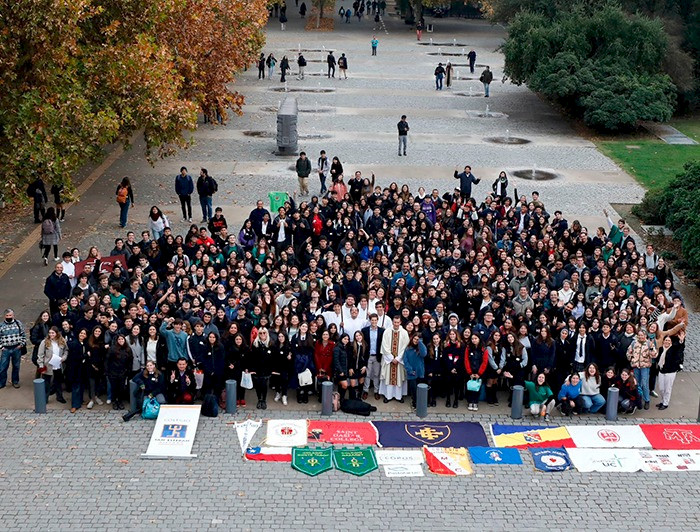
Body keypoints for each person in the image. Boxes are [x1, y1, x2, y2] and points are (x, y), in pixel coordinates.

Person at [379, 315, 409, 403]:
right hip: (389, 360)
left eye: (397, 322)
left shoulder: (404, 332)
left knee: (399, 377)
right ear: (392, 322)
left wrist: (398, 358)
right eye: (394, 322)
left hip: (399, 361)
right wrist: (391, 358)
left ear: (400, 322)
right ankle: (388, 396)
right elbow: (384, 345)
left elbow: (405, 346)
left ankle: (398, 396)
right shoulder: (387, 331)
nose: (396, 324)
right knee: (388, 377)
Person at [627, 328, 657, 410]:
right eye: (639, 335)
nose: (641, 337)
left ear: (645, 335)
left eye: (642, 335)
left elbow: (654, 355)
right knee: (637, 384)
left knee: (644, 383)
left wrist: (651, 350)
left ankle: (647, 400)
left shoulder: (649, 343)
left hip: (645, 366)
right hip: (636, 366)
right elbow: (628, 352)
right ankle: (638, 399)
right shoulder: (634, 343)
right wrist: (631, 358)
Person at [37, 326, 68, 403]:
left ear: (57, 333)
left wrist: (63, 358)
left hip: (58, 365)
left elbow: (66, 351)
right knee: (47, 384)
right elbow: (40, 355)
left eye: (53, 333)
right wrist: (41, 366)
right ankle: (45, 399)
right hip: (47, 366)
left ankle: (59, 397)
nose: (51, 334)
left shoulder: (62, 341)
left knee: (58, 382)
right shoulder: (44, 342)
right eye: (50, 333)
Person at [656, 330, 684, 410]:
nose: (667, 342)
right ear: (663, 341)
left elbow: (680, 348)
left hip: (670, 372)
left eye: (669, 340)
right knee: (661, 388)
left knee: (667, 389)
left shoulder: (674, 348)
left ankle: (665, 403)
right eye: (666, 340)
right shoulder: (661, 349)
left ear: (671, 342)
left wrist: (681, 340)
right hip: (662, 370)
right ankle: (662, 401)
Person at [0, 309, 27, 390]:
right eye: (7, 316)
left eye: (10, 315)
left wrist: (21, 345)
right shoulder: (1, 326)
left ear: (13, 315)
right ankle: (2, 383)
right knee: (3, 367)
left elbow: (23, 335)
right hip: (6, 349)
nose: (9, 317)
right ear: (4, 316)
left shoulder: (18, 324)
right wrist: (1, 347)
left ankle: (15, 381)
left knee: (16, 366)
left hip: (16, 348)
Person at [106, 334, 133, 410]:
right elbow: (107, 360)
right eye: (119, 339)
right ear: (117, 341)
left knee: (121, 388)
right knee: (114, 388)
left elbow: (130, 361)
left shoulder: (128, 349)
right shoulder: (112, 349)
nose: (121, 341)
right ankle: (115, 401)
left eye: (122, 339)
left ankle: (120, 401)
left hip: (123, 372)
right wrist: (107, 371)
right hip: (113, 372)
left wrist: (128, 371)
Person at [362, 313, 384, 400]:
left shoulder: (381, 331)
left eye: (375, 320)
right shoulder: (365, 330)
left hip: (377, 356)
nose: (374, 322)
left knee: (376, 374)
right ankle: (366, 390)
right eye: (372, 320)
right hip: (368, 355)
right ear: (370, 321)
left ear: (377, 320)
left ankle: (376, 391)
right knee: (367, 374)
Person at [67, 328, 89, 413]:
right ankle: (74, 405)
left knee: (82, 385)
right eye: (81, 333)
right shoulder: (75, 343)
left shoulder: (85, 344)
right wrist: (85, 355)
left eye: (84, 334)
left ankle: (80, 401)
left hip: (82, 368)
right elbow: (75, 357)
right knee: (76, 386)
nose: (82, 335)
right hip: (75, 368)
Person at [464, 333, 488, 411]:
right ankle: (470, 401)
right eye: (472, 339)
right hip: (470, 371)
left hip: (479, 372)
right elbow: (466, 360)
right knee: (470, 387)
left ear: (479, 339)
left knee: (477, 387)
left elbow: (485, 362)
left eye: (476, 338)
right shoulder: (468, 348)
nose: (474, 340)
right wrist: (470, 372)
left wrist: (479, 373)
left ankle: (475, 402)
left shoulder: (484, 349)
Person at [404, 334, 426, 408]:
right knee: (413, 389)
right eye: (415, 339)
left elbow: (424, 354)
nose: (415, 341)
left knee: (420, 388)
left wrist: (420, 343)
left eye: (417, 339)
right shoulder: (407, 349)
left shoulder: (421, 348)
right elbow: (405, 360)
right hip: (412, 372)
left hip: (419, 371)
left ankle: (420, 402)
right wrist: (410, 370)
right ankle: (414, 402)